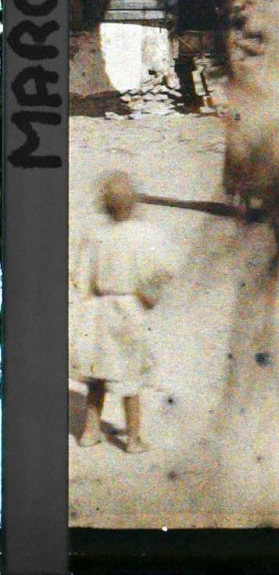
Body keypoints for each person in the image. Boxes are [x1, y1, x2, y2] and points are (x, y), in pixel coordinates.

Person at [70, 170, 176, 452]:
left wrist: (89, 294)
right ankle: (133, 438)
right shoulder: (144, 234)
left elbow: (80, 277)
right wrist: (147, 297)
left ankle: (89, 432)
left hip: (100, 309)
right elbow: (163, 271)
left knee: (97, 375)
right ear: (134, 203)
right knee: (131, 377)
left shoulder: (95, 235)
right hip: (128, 309)